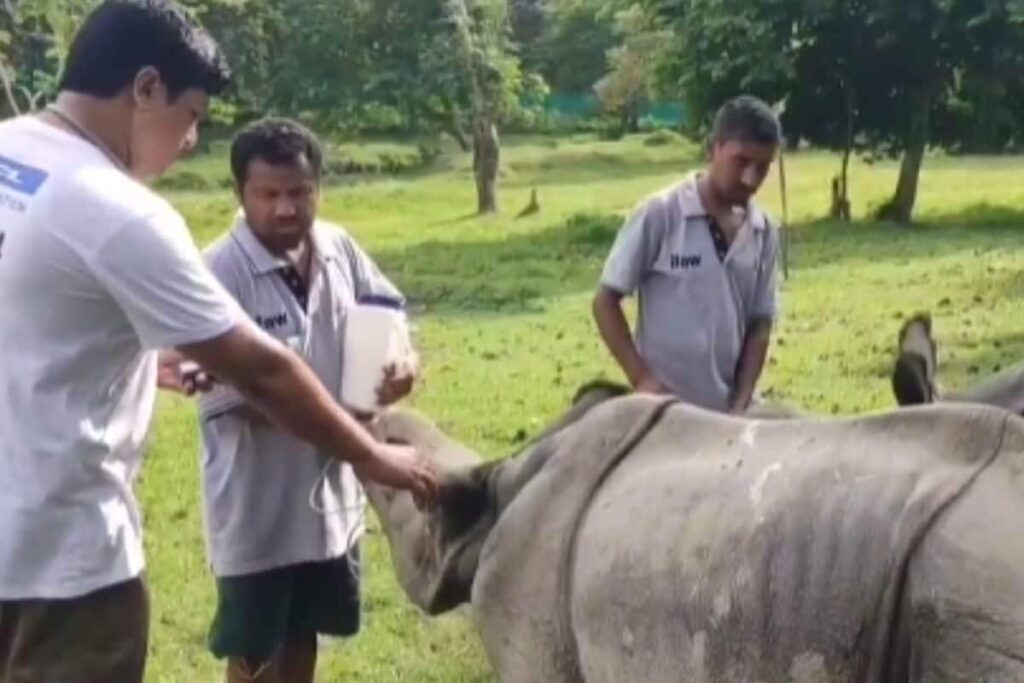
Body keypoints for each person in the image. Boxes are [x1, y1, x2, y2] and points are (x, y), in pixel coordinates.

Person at [0, 3, 435, 681]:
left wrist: (149, 358)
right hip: (64, 566)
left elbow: (39, 311)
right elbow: (261, 370)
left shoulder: (12, 152)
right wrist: (374, 455)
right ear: (146, 89)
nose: (192, 138)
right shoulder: (116, 206)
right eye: (192, 113)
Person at [197, 118, 414, 682]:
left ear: (318, 187)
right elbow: (235, 396)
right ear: (240, 194)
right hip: (257, 505)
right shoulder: (219, 272)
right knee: (254, 650)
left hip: (327, 501)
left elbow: (387, 308)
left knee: (305, 634)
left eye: (300, 192)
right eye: (268, 194)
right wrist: (344, 427)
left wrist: (401, 363)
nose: (286, 208)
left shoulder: (338, 248)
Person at [592, 95, 782, 414]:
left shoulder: (764, 229)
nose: (751, 178)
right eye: (741, 161)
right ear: (714, 148)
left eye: (762, 167)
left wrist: (742, 399)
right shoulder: (661, 213)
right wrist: (642, 379)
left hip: (729, 412)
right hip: (665, 412)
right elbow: (605, 300)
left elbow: (760, 322)